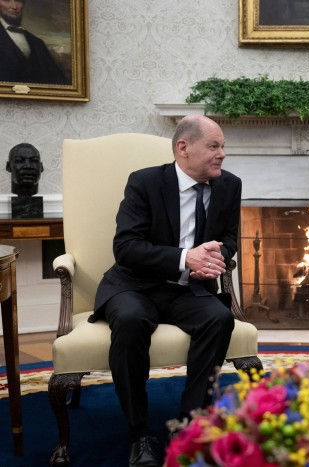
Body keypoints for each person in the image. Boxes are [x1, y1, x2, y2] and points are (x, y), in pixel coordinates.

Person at [91, 115, 241, 467]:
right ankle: (139, 432)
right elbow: (126, 247)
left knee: (219, 318)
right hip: (135, 284)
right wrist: (185, 258)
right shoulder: (144, 183)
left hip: (187, 290)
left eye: (223, 147)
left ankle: (189, 425)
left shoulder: (229, 185)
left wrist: (214, 257)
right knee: (130, 320)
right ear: (183, 148)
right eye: (214, 146)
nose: (223, 154)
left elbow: (230, 238)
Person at [0, 0, 69, 84]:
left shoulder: (38, 44)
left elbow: (58, 80)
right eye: (7, 0)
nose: (14, 6)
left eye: (19, 1)